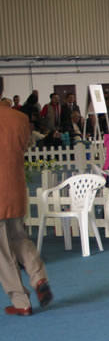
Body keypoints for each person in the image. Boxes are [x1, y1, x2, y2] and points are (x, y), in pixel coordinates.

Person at [0, 76, 53, 316]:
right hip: (14, 186)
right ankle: (39, 277)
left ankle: (20, 301)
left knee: (2, 251)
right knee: (18, 237)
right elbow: (24, 147)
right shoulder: (20, 119)